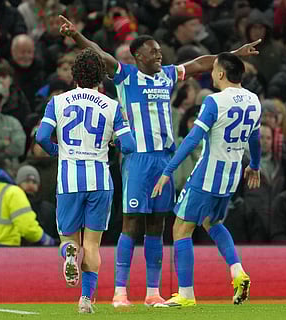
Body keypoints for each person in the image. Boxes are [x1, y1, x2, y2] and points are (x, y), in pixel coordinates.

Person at [58, 14, 261, 307]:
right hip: (139, 160)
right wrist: (76, 36)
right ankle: (120, 292)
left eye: (159, 50)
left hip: (164, 156)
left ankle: (153, 291)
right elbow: (101, 56)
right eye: (152, 51)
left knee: (157, 226)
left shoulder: (167, 74)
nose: (158, 54)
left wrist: (232, 56)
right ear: (137, 55)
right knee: (130, 224)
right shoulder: (125, 75)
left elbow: (201, 63)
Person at [151, 53, 261, 307]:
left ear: (221, 73)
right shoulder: (254, 101)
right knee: (213, 222)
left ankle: (186, 294)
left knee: (181, 228)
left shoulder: (214, 101)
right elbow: (254, 140)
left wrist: (168, 171)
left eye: (213, 69)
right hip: (232, 174)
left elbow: (192, 140)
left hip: (208, 174)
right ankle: (237, 272)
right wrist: (255, 165)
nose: (211, 74)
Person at [35, 48, 136, 314]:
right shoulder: (112, 105)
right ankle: (86, 300)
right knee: (92, 244)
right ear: (101, 76)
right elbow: (130, 145)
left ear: (74, 74)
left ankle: (69, 252)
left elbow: (41, 137)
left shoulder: (57, 102)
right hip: (100, 179)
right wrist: (112, 141)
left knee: (69, 239)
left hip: (68, 179)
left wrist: (60, 151)